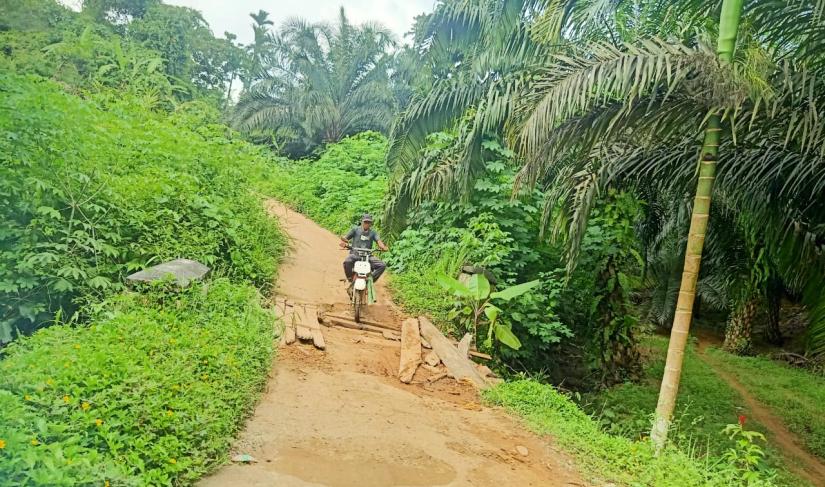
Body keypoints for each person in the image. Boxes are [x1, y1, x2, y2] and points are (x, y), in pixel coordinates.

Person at [340, 214, 388, 285]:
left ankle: (370, 280)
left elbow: (379, 241)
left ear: (371, 223)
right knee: (347, 262)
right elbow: (345, 238)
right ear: (362, 222)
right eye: (365, 222)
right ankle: (350, 278)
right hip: (355, 254)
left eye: (369, 222)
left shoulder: (373, 233)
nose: (367, 224)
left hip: (368, 256)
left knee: (382, 265)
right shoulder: (355, 230)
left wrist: (383, 247)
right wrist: (344, 242)